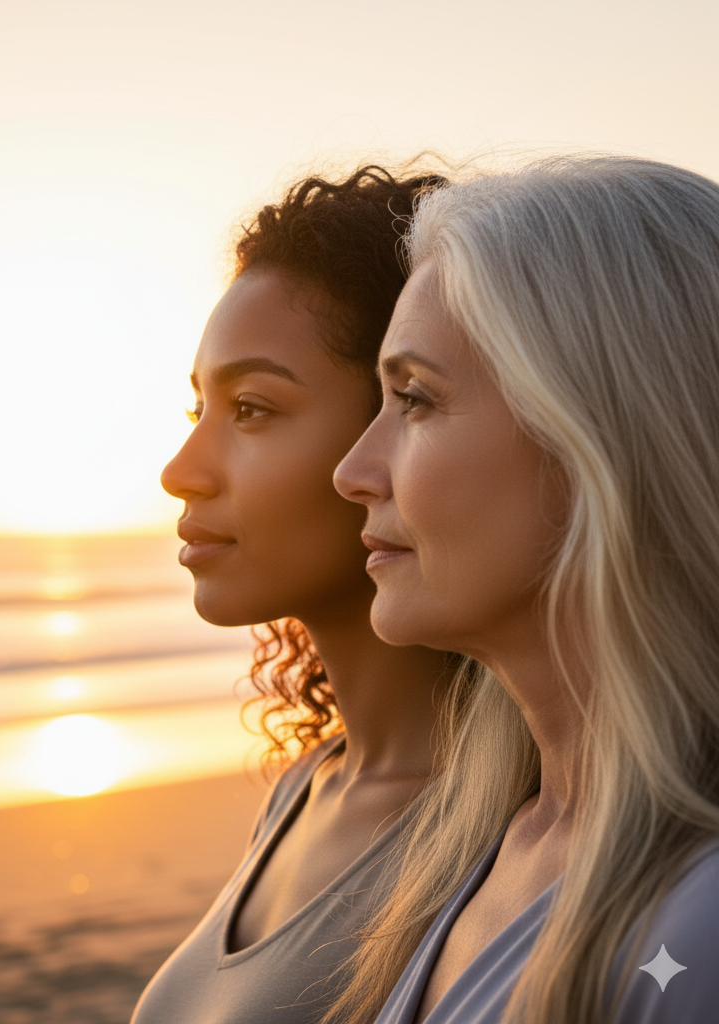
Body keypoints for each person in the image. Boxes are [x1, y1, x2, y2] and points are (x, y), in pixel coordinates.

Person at [330, 155, 719, 1024]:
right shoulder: (494, 841)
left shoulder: (697, 924)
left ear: (598, 439)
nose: (355, 470)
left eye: (416, 400)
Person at [130, 164, 459, 1024]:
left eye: (251, 408)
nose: (180, 473)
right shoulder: (307, 788)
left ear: (402, 419)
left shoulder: (512, 831)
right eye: (197, 408)